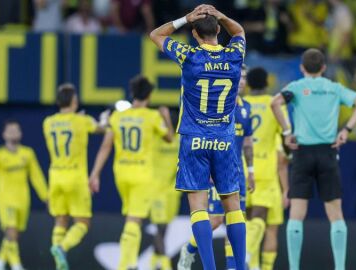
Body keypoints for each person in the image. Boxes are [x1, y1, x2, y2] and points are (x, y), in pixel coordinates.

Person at [150, 4, 248, 270]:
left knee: (199, 207)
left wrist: (185, 18)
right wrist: (221, 15)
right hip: (225, 141)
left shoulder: (189, 56)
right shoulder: (235, 56)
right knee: (233, 207)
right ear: (218, 30)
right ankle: (240, 267)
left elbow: (156, 35)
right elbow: (238, 30)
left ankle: (208, 267)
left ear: (194, 34)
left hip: (194, 139)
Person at [271, 49, 356, 270]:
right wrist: (346, 130)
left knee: (296, 215)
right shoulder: (333, 88)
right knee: (336, 215)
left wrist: (287, 133)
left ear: (302, 67)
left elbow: (275, 103)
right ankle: (339, 268)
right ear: (324, 68)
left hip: (302, 153)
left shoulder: (296, 88)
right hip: (327, 152)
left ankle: (295, 268)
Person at [89, 75, 174, 270]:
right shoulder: (151, 117)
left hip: (121, 173)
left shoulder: (118, 117)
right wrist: (166, 118)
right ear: (149, 95)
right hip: (142, 174)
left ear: (132, 93)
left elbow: (105, 147)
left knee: (130, 217)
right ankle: (125, 265)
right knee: (134, 220)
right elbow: (169, 138)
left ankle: (131, 263)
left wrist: (95, 173)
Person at [178, 65, 254, 270]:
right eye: (240, 77)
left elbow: (247, 142)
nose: (242, 81)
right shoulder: (216, 103)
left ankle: (233, 267)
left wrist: (251, 170)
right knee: (216, 220)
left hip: (235, 171)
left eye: (245, 78)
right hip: (215, 168)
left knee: (236, 219)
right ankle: (190, 248)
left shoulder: (247, 108)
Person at [43, 83, 107, 270]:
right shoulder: (82, 121)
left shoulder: (47, 123)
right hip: (76, 178)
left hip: (55, 178)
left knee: (60, 220)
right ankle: (62, 248)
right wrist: (103, 119)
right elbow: (101, 129)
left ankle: (58, 264)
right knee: (83, 222)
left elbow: (65, 126)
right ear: (75, 101)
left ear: (57, 101)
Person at [0, 120, 48, 270]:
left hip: (23, 200)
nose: (13, 133)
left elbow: (36, 176)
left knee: (13, 236)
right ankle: (16, 265)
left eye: (16, 130)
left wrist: (46, 196)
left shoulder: (28, 154)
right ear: (4, 134)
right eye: (10, 130)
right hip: (5, 199)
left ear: (21, 133)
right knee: (11, 231)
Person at [244, 67, 290, 270]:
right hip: (265, 171)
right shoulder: (274, 104)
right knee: (265, 224)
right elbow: (286, 138)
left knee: (244, 221)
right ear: (266, 83)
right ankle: (249, 258)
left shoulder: (239, 104)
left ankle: (249, 263)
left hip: (242, 170)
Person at [149, 134, 181, 270]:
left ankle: (154, 260)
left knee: (165, 227)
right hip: (156, 190)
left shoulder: (180, 139)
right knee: (159, 226)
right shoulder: (155, 136)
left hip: (173, 191)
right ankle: (165, 263)